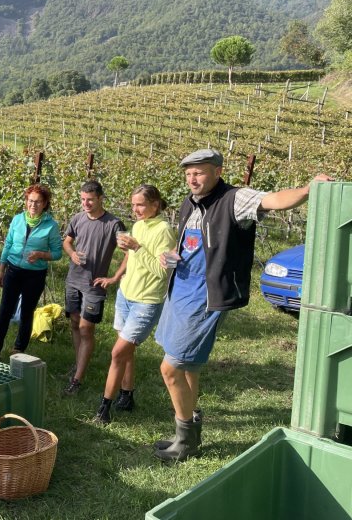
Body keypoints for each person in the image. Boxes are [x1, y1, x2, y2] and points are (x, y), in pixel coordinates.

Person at [153, 149, 331, 462]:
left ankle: (186, 440)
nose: (192, 179)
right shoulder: (189, 202)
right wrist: (168, 253)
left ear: (217, 171)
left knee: (170, 368)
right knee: (190, 367)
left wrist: (307, 189)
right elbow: (187, 242)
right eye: (188, 173)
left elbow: (274, 200)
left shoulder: (235, 198)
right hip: (179, 290)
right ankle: (186, 434)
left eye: (200, 172)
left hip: (205, 296)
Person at [94, 185, 176, 424]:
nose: (136, 209)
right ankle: (127, 396)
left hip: (147, 301)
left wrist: (137, 247)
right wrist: (117, 275)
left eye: (140, 205)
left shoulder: (166, 231)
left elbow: (163, 272)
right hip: (126, 295)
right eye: (133, 205)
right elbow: (131, 257)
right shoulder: (139, 225)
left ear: (155, 204)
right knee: (127, 352)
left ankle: (103, 408)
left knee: (118, 352)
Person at [62, 180, 127, 396]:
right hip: (73, 279)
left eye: (90, 199)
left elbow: (129, 251)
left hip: (94, 285)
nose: (85, 203)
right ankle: (78, 363)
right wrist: (71, 253)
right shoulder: (78, 219)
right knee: (74, 322)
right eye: (82, 199)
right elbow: (67, 241)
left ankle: (77, 379)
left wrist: (115, 277)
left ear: (100, 198)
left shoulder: (113, 224)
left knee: (86, 328)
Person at [0, 184, 62, 360]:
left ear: (45, 204)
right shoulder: (17, 220)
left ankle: (18, 350)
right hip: (13, 270)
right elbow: (8, 245)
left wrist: (41, 254)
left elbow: (57, 253)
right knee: (5, 310)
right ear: (26, 201)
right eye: (30, 201)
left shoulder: (51, 226)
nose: (33, 205)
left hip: (34, 275)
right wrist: (1, 269)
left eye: (37, 202)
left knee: (27, 313)